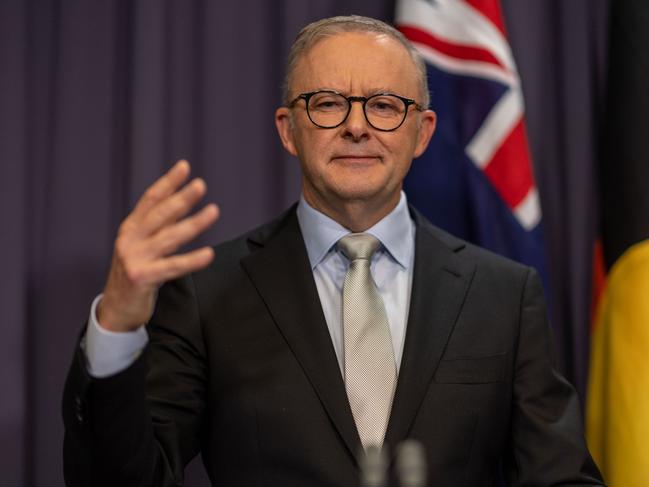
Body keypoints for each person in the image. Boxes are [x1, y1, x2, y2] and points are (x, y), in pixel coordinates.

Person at [62, 15, 604, 487]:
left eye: (385, 106)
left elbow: (559, 478)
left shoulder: (504, 294)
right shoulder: (209, 294)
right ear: (289, 129)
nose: (356, 126)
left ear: (422, 132)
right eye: (327, 103)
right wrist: (116, 327)